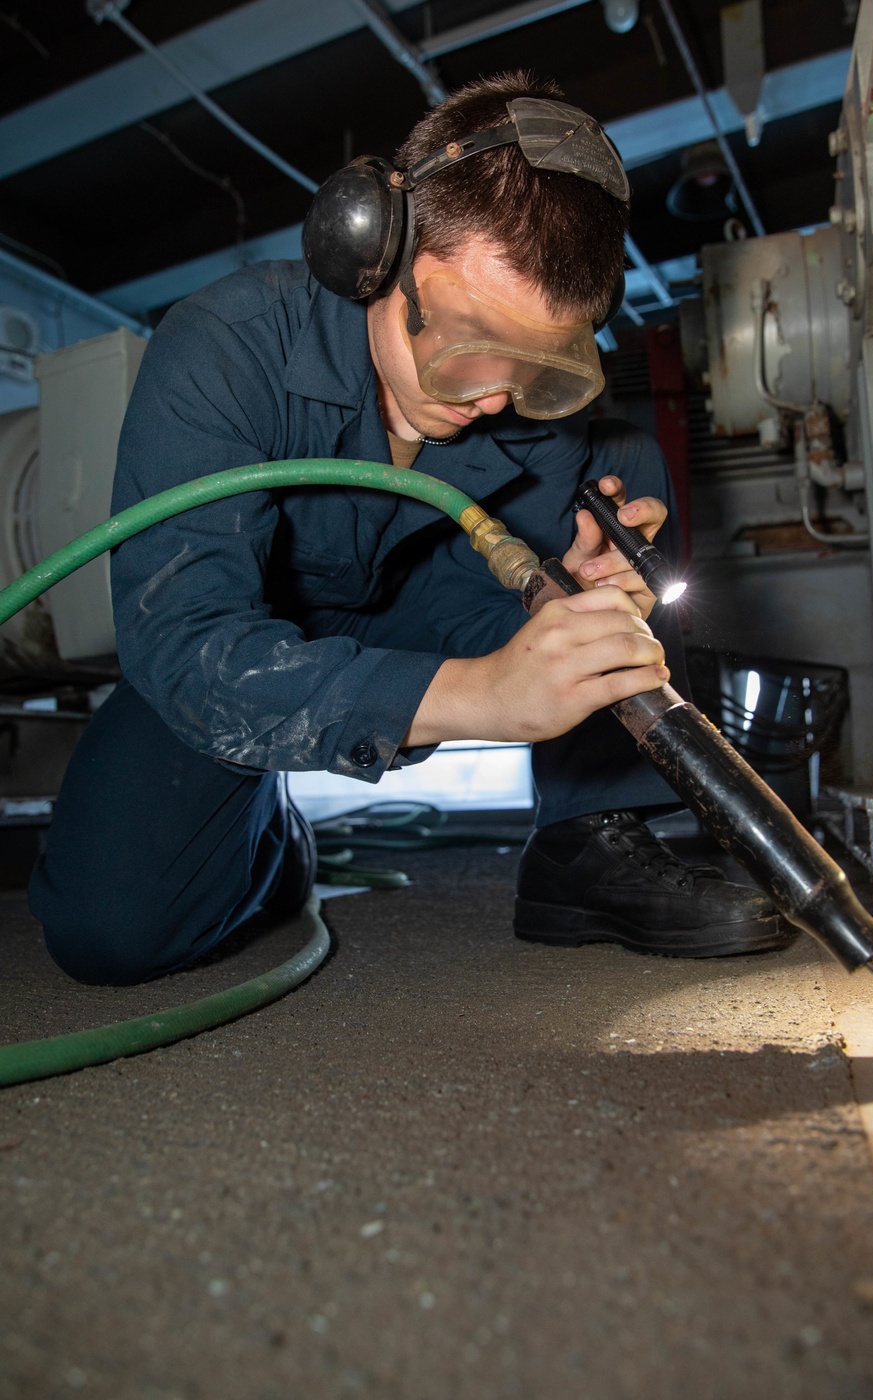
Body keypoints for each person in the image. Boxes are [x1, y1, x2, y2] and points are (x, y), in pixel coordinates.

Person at [29, 73, 792, 985]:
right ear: (370, 245)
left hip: (424, 610)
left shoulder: (535, 412)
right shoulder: (221, 349)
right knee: (110, 933)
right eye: (470, 341)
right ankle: (272, 845)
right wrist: (485, 696)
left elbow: (548, 565)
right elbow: (183, 647)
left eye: (536, 360)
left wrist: (578, 583)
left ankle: (586, 839)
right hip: (238, 646)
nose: (498, 394)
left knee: (619, 468)